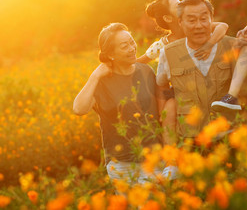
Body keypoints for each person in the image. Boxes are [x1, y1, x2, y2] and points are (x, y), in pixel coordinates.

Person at [73, 23, 174, 185]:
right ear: (111, 54)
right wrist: (95, 75)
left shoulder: (146, 71)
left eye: (131, 42)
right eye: (124, 46)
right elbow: (79, 109)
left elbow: (164, 108)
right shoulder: (101, 82)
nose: (132, 48)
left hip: (154, 159)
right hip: (122, 165)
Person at [137, 0, 229, 143]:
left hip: (207, 85)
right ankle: (170, 156)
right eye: (176, 5)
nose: (181, 4)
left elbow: (223, 26)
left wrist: (209, 44)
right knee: (170, 107)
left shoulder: (195, 26)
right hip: (180, 91)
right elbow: (140, 63)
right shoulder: (162, 45)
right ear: (169, 18)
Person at [157, 0, 247, 139]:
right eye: (191, 20)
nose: (198, 25)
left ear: (212, 19)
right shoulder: (168, 53)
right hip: (190, 143)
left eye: (203, 19)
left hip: (229, 140)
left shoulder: (233, 46)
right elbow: (162, 86)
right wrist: (166, 114)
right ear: (180, 22)